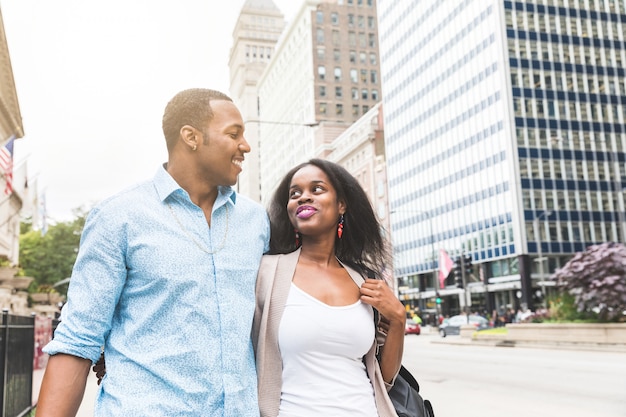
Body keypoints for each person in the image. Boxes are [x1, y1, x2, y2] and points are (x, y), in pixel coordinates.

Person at [36, 88, 270, 416]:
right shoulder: (119, 216)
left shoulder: (256, 221)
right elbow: (78, 339)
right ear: (190, 136)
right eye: (234, 134)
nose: (245, 146)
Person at [253, 159, 406, 416]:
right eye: (295, 193)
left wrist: (398, 319)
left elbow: (383, 378)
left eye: (317, 189)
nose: (304, 197)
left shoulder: (365, 280)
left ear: (341, 205)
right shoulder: (267, 272)